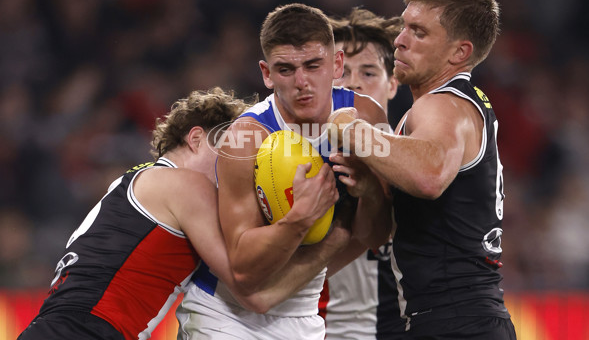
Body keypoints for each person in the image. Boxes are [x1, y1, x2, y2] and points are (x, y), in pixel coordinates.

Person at [18, 88, 350, 340]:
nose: (240, 165)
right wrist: (314, 225)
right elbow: (252, 290)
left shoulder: (141, 181)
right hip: (86, 330)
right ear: (195, 138)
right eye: (230, 148)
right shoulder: (187, 185)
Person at [176, 3, 392, 340]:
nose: (302, 82)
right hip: (225, 315)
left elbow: (378, 236)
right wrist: (301, 218)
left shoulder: (365, 117)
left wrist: (371, 193)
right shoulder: (246, 139)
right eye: (286, 69)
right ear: (266, 73)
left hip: (302, 311)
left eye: (312, 65)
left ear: (336, 64)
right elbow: (245, 270)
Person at [328, 0, 517, 339]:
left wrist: (351, 129)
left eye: (419, 32)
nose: (399, 41)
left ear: (459, 52)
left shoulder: (442, 105)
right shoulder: (449, 109)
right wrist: (369, 189)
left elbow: (429, 176)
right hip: (451, 319)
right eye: (403, 27)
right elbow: (378, 235)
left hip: (456, 321)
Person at [318, 7, 409, 339]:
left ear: (393, 84)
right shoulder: (291, 156)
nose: (354, 82)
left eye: (369, 72)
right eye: (343, 71)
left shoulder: (415, 161)